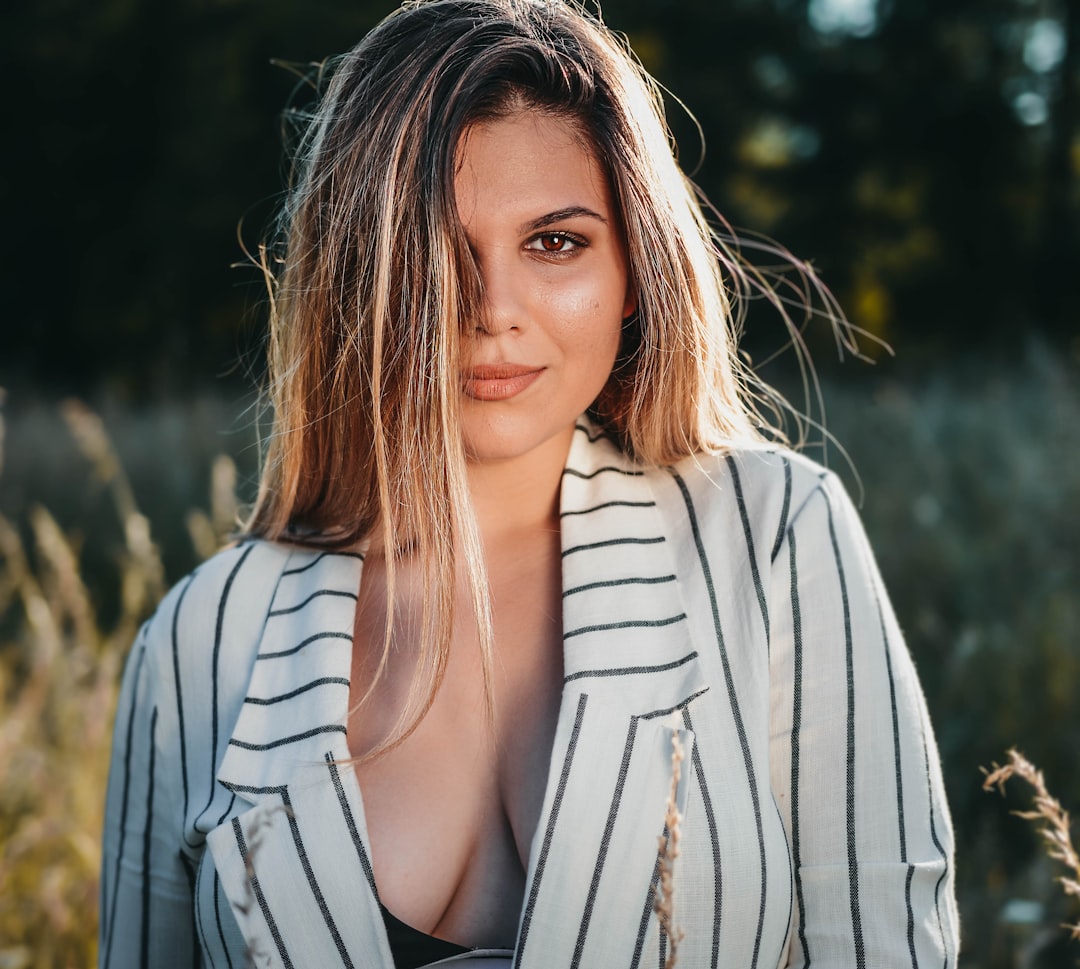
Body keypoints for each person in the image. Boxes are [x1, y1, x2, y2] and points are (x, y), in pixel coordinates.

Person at [99, 1, 960, 966]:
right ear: (356, 276)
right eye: (436, 250)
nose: (491, 310)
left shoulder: (774, 535)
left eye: (554, 241)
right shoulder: (197, 642)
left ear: (637, 268)